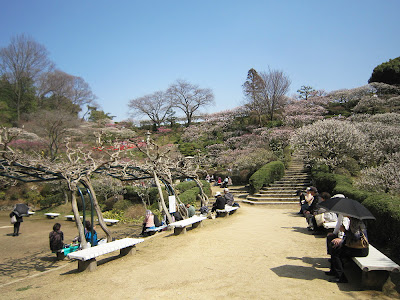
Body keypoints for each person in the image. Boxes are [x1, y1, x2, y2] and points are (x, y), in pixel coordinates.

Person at [326, 217, 369, 283]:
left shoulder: (356, 222)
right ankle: (334, 271)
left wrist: (344, 231)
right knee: (335, 247)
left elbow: (356, 237)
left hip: (360, 249)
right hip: (356, 247)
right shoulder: (353, 221)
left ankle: (341, 277)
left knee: (337, 252)